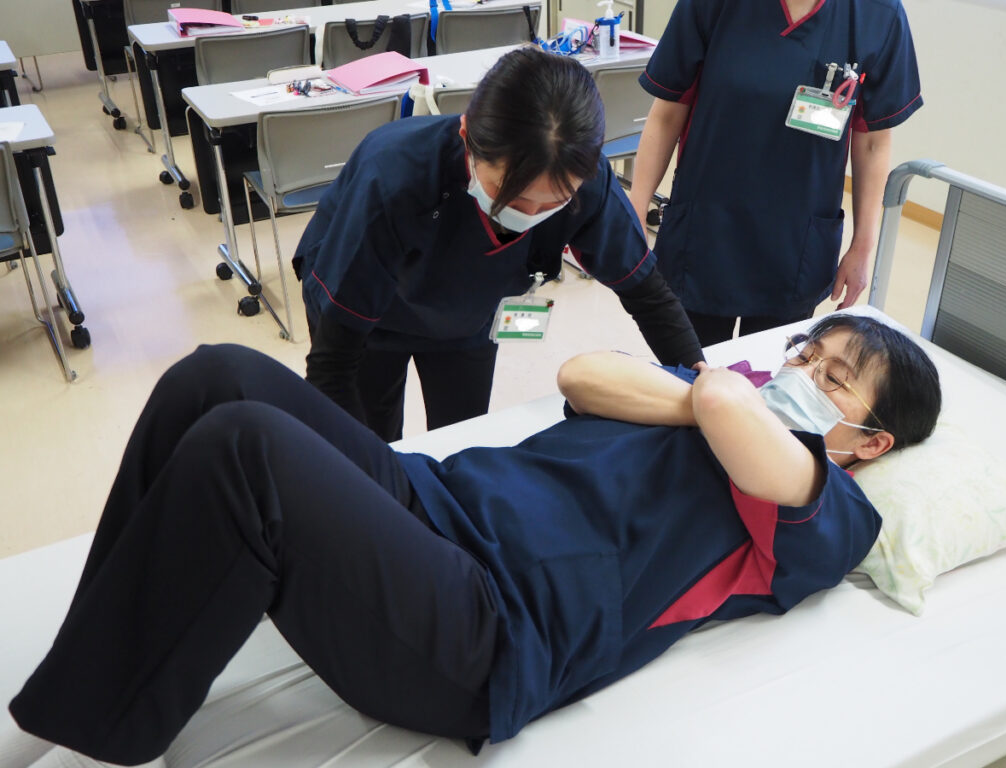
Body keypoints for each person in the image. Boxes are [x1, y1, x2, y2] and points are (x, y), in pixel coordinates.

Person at [9, 314, 941, 765]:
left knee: (243, 451)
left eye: (836, 377)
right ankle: (102, 643)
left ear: (873, 442)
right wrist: (701, 394)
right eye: (806, 352)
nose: (803, 370)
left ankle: (98, 731)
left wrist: (721, 393)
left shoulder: (828, 505)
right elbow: (584, 372)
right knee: (216, 377)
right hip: (435, 499)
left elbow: (731, 406)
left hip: (488, 625)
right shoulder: (704, 396)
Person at [295, 45, 704, 442]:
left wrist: (702, 380)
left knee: (462, 435)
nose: (530, 214)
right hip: (369, 320)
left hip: (470, 317)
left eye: (554, 202)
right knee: (373, 437)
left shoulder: (586, 181)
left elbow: (647, 294)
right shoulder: (393, 177)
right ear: (466, 136)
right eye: (512, 197)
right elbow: (333, 365)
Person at [629, 0, 923, 345]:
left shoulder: (879, 14)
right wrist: (635, 210)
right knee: (691, 368)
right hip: (705, 232)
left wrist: (862, 246)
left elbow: (873, 142)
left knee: (772, 370)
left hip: (796, 245)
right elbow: (667, 112)